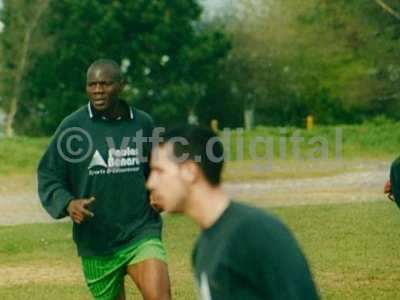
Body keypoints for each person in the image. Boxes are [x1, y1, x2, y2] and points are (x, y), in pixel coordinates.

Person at [37, 59, 171, 300]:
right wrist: (68, 203)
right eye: (92, 84)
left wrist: (160, 191)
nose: (98, 90)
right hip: (96, 240)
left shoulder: (143, 123)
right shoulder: (72, 127)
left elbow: (159, 168)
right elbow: (49, 174)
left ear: (121, 85)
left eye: (105, 84)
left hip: (140, 231)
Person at [146, 126, 320, 300]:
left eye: (159, 171)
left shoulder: (256, 232)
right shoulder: (202, 248)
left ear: (190, 171)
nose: (151, 183)